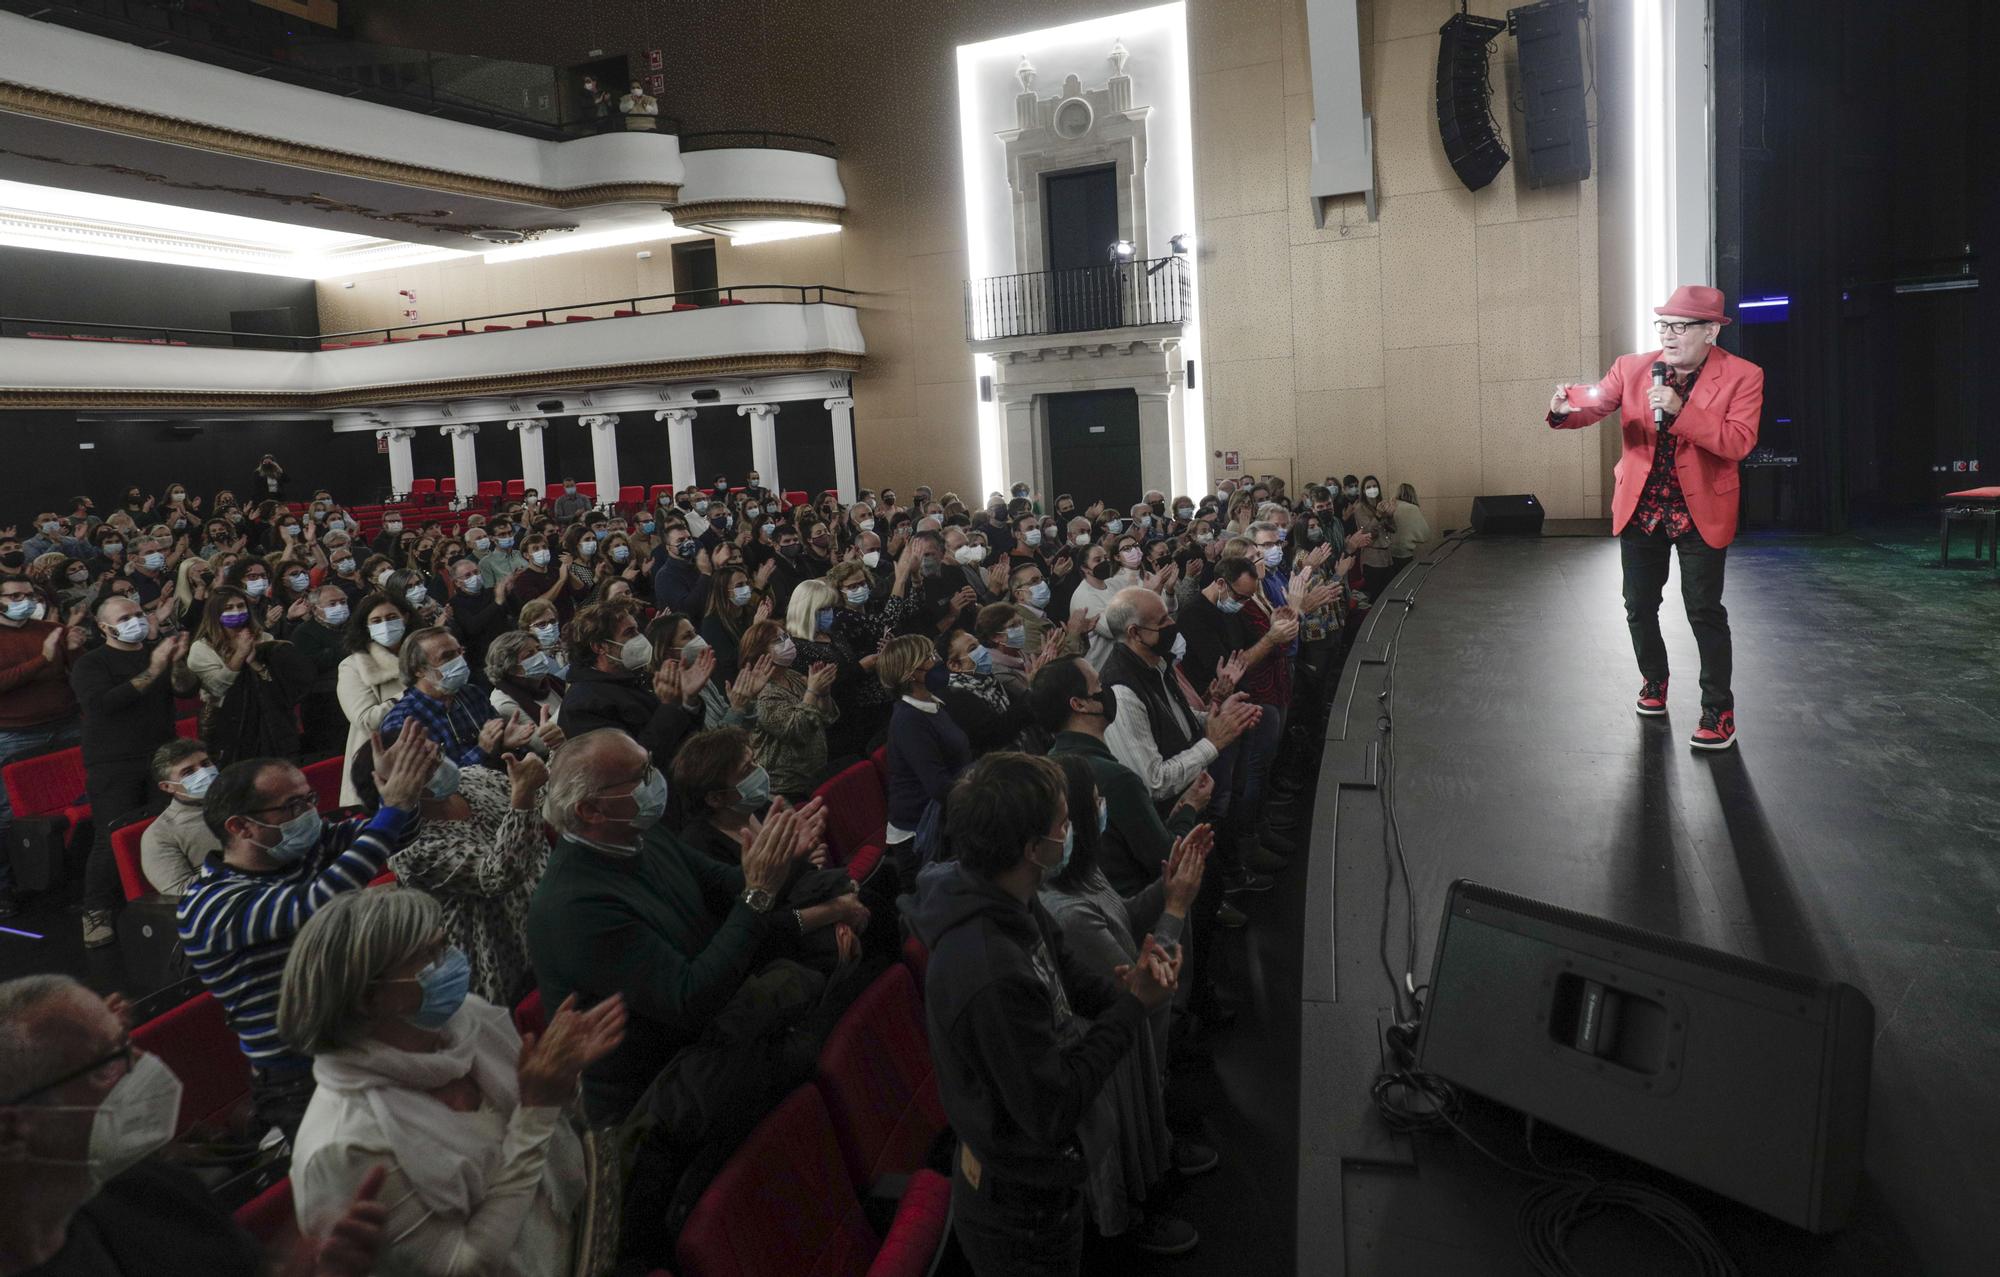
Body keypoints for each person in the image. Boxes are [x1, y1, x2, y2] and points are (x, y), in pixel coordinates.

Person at [908, 752, 1181, 1277]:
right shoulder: (987, 971)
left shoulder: (1009, 894)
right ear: (1034, 848)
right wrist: (1133, 1007)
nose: (1074, 828)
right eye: (1064, 823)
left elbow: (1069, 973)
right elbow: (1051, 1111)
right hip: (1019, 1210)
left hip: (1042, 1182)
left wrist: (1125, 984)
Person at [279, 887, 623, 1277]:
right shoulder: (345, 1146)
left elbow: (552, 1118)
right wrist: (536, 1112)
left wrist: (559, 1079)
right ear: (366, 998)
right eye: (428, 957)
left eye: (444, 946)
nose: (451, 962)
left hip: (579, 1227)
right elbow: (465, 1267)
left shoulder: (465, 1021)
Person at [0, 974, 391, 1277]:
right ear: (14, 1129)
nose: (142, 1064)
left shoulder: (148, 1189)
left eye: (125, 1042)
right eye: (107, 1064)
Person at [524, 728, 824, 1121]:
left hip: (713, 1048)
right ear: (590, 811)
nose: (656, 781)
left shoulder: (639, 836)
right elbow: (689, 998)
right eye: (641, 775)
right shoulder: (574, 909)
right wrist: (760, 892)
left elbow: (729, 884)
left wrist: (783, 856)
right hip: (663, 1096)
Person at [176, 723, 437, 1143]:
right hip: (299, 1078)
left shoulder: (305, 847)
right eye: (292, 806)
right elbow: (315, 905)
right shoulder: (210, 903)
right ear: (240, 827)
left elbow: (395, 836)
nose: (309, 814)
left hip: (362, 1045)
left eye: (309, 799)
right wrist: (392, 809)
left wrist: (390, 794)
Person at [1551, 284, 1761, 749]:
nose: (1668, 334)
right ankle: (1654, 680)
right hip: (1643, 508)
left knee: (1704, 611)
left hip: (1699, 509)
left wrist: (1682, 411)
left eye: (1680, 326)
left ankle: (1717, 711)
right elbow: (1597, 401)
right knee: (1639, 606)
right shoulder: (1633, 368)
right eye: (1663, 324)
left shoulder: (1743, 376)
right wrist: (1566, 409)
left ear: (1710, 331)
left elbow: (1739, 442)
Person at [1040, 754, 1215, 1254]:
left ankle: (1157, 1158)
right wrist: (1178, 905)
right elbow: (1142, 994)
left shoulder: (1079, 872)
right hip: (1108, 1058)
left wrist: (1166, 885)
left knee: (1146, 1129)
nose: (1102, 808)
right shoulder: (1065, 913)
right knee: (1121, 1148)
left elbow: (1123, 919)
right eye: (1094, 802)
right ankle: (1129, 1225)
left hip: (1123, 1045)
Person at [347, 740, 551, 1006]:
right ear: (394, 785)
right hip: (504, 960)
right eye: (426, 764)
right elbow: (499, 874)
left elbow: (543, 805)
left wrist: (555, 752)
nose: (441, 764)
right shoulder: (410, 849)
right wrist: (522, 793)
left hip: (551, 926)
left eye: (438, 752)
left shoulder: (474, 778)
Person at [69, 596, 194, 947]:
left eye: (139, 614)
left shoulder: (156, 652)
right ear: (105, 627)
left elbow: (185, 689)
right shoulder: (91, 664)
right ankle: (96, 911)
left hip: (162, 755)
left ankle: (165, 899)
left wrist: (179, 662)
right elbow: (103, 705)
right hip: (113, 761)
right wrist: (154, 669)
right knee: (111, 837)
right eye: (125, 617)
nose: (136, 621)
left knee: (166, 827)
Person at [0, 576, 83, 917]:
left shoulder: (49, 628)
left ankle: (69, 878)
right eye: (14, 595)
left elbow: (75, 674)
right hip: (14, 734)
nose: (24, 599)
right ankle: (5, 887)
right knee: (8, 813)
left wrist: (75, 649)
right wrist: (42, 659)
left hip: (66, 725)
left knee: (76, 802)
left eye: (29, 594)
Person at [558, 601, 706, 768]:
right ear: (600, 647)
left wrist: (689, 700)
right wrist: (668, 706)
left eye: (637, 629)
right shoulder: (583, 704)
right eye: (630, 632)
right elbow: (633, 763)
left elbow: (684, 737)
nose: (640, 638)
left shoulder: (635, 679)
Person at [738, 619, 838, 803]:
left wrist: (823, 694)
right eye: (778, 640)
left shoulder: (792, 676)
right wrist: (812, 691)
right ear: (760, 653)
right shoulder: (764, 693)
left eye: (786, 636)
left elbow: (825, 718)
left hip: (813, 775)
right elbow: (797, 730)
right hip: (787, 788)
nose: (787, 642)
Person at [335, 594, 413, 807]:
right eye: (376, 621)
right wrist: (412, 693)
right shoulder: (353, 665)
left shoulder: (422, 654)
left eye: (391, 617)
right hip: (380, 764)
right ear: (366, 627)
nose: (386, 625)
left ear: (405, 618)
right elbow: (365, 719)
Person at [137, 738, 222, 897]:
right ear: (167, 786)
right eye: (188, 772)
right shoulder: (160, 834)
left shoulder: (243, 801)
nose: (203, 773)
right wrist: (243, 865)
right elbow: (179, 892)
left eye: (205, 764)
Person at [1385, 483, 1433, 580]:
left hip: (1387, 555)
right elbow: (1425, 534)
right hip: (1405, 555)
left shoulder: (1389, 507)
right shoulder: (1412, 509)